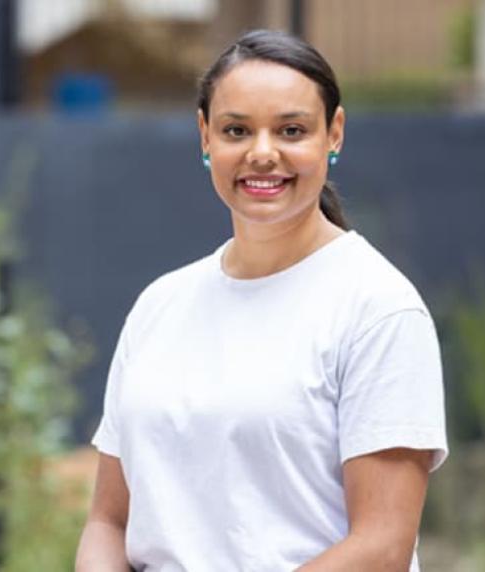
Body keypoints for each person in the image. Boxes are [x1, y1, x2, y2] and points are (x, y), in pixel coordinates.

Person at [76, 30, 448, 572]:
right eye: (236, 130)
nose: (263, 153)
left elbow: (382, 547)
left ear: (334, 134)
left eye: (292, 130)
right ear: (205, 137)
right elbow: (109, 522)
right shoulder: (161, 305)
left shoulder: (378, 308)